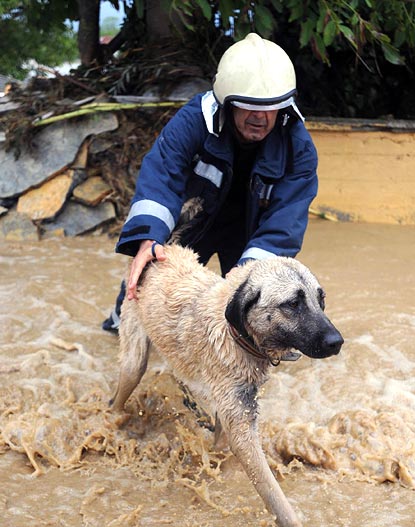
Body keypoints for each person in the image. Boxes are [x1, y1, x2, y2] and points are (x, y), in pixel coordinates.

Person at [102, 32, 318, 333]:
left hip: (252, 233)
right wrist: (150, 239)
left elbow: (287, 221)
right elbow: (161, 175)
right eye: (247, 106)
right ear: (226, 103)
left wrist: (250, 277)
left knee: (248, 318)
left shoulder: (299, 147)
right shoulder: (193, 121)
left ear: (283, 106)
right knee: (141, 292)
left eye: (269, 107)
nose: (259, 116)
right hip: (194, 222)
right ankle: (115, 332)